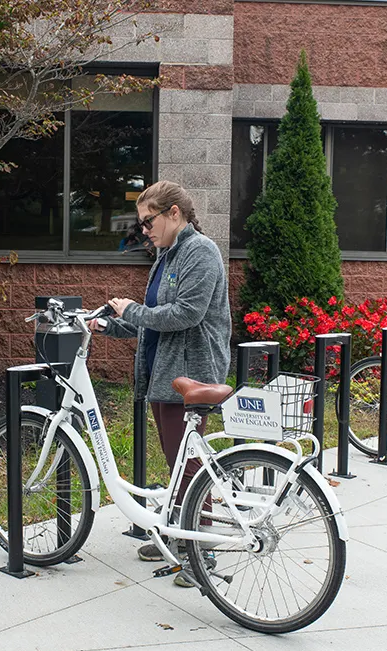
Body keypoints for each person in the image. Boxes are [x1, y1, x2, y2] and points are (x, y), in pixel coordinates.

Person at [92, 180, 232, 587]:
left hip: (191, 372)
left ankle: (201, 552)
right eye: (141, 223)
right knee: (177, 463)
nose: (144, 231)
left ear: (175, 213)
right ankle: (177, 533)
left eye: (148, 221)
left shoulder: (201, 252)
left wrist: (132, 310)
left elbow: (184, 314)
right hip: (165, 371)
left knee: (189, 469)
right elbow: (153, 318)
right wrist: (105, 323)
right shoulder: (167, 254)